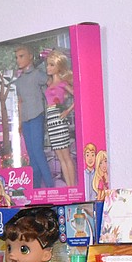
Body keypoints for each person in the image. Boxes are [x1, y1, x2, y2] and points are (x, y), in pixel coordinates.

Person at [13, 45, 53, 189]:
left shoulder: (38, 74)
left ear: (30, 56)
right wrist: (19, 123)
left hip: (37, 116)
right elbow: (20, 102)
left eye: (21, 56)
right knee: (32, 154)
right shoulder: (19, 81)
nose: (18, 60)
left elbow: (51, 84)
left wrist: (54, 100)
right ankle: (36, 187)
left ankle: (50, 185)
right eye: (17, 57)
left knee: (37, 151)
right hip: (25, 120)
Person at [44, 50, 76, 187]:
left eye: (51, 65)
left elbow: (78, 96)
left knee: (66, 155)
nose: (48, 68)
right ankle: (69, 187)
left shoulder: (62, 84)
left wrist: (67, 111)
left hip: (59, 119)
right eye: (48, 65)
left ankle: (72, 186)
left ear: (58, 66)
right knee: (60, 157)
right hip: (51, 121)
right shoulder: (49, 84)